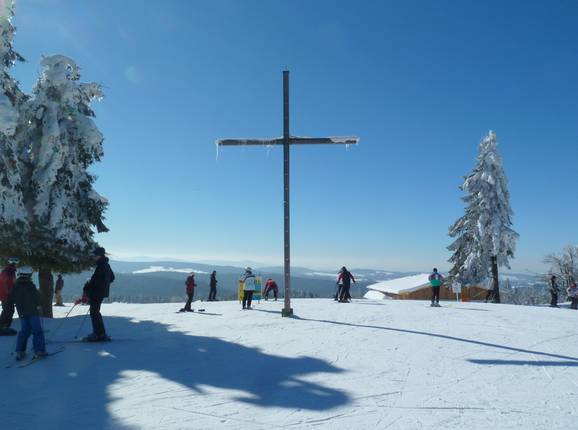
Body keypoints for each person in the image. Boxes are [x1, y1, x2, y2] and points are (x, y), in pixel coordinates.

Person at [12, 266, 46, 360]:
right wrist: (40, 304)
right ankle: (39, 351)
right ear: (28, 275)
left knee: (24, 331)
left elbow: (12, 298)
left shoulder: (16, 286)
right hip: (33, 312)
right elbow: (37, 298)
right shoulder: (30, 285)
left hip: (22, 313)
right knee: (37, 331)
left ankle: (20, 351)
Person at [83, 247, 115, 342]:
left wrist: (88, 285)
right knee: (96, 312)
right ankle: (101, 333)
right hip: (100, 292)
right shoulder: (106, 265)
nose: (93, 257)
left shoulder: (101, 266)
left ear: (99, 255)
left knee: (94, 313)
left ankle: (97, 334)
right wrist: (105, 284)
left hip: (96, 293)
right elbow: (112, 278)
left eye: (95, 255)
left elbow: (96, 281)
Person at [0, 258, 18, 335]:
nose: (16, 265)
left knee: (9, 310)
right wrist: (7, 292)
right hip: (6, 295)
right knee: (7, 310)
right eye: (16, 263)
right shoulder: (8, 271)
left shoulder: (10, 271)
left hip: (7, 294)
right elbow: (4, 282)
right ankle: (2, 327)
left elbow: (12, 282)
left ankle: (5, 327)